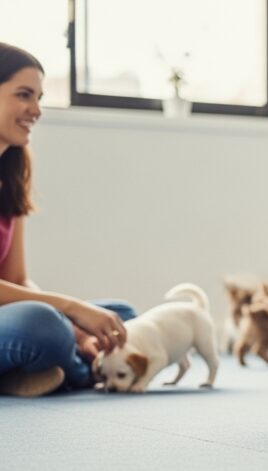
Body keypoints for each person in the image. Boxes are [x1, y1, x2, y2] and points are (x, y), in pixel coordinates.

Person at [0, 43, 134, 397]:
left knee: (122, 317)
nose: (36, 110)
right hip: (25, 324)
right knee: (43, 325)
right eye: (24, 95)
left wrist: (80, 330)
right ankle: (77, 369)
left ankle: (50, 369)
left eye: (39, 97)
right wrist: (72, 311)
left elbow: (16, 279)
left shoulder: (9, 176)